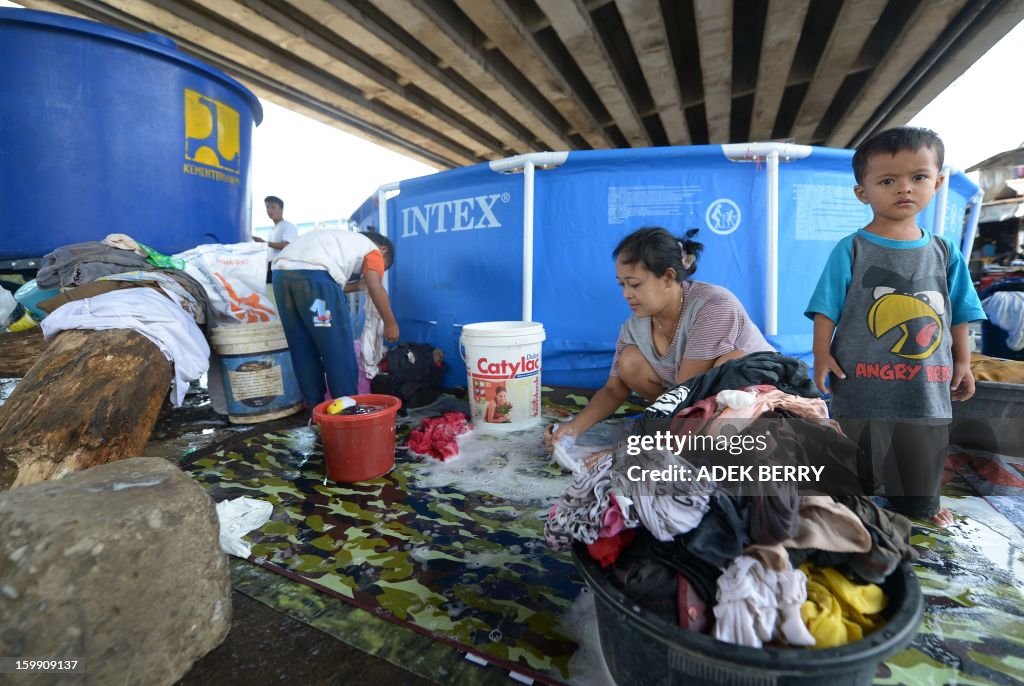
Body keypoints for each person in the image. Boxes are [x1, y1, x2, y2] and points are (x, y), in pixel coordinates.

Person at [805, 126, 986, 528]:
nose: (904, 188)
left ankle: (920, 501)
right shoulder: (852, 248)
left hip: (927, 380)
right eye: (888, 180)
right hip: (861, 377)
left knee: (922, 444)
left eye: (918, 177)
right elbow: (825, 307)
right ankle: (852, 498)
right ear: (863, 192)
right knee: (857, 449)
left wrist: (964, 362)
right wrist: (821, 354)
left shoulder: (944, 251)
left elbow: (960, 312)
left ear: (937, 183)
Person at [546, 226, 774, 447]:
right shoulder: (635, 327)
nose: (626, 294)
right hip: (691, 397)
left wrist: (628, 449)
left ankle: (692, 436)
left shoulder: (714, 306)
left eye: (634, 284)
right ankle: (681, 428)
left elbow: (686, 390)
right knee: (630, 361)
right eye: (621, 284)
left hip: (760, 399)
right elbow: (614, 389)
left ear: (667, 277)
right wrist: (573, 428)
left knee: (731, 362)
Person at [272, 229, 399, 407]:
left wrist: (357, 285)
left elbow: (326, 284)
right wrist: (390, 323)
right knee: (337, 347)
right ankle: (346, 407)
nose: (377, 271)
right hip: (315, 275)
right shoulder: (373, 250)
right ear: (383, 250)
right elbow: (374, 286)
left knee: (302, 346)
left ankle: (314, 407)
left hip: (280, 276)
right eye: (382, 268)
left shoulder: (338, 242)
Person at [255, 196, 299, 282]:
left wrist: (264, 242)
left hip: (283, 268)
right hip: (272, 266)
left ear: (281, 209)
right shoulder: (272, 230)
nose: (270, 210)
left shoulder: (287, 226)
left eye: (273, 207)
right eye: (267, 207)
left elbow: (287, 245)